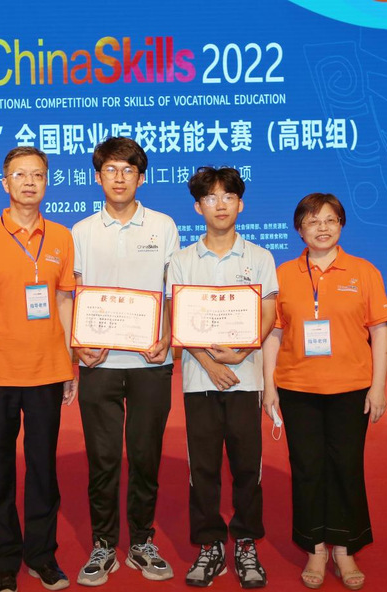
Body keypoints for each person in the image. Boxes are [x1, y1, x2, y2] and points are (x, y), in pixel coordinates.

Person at [0, 146, 77, 592]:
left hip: (46, 371)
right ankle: (3, 561)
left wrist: (69, 364)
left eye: (38, 175)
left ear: (47, 182)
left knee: (43, 469)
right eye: (20, 175)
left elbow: (63, 301)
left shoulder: (61, 236)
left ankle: (42, 556)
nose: (29, 182)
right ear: (5, 183)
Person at [262, 193, 387, 591]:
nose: (322, 228)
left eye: (330, 220)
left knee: (346, 467)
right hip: (297, 387)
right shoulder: (284, 274)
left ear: (341, 225)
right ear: (299, 229)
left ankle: (345, 548)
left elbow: (379, 331)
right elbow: (274, 333)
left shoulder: (364, 271)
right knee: (307, 468)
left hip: (351, 388)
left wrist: (379, 387)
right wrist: (269, 386)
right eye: (313, 221)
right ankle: (315, 548)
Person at [72, 137, 180, 586]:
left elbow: (174, 290)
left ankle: (140, 542)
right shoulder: (81, 231)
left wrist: (168, 337)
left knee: (145, 457)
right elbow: (75, 293)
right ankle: (102, 544)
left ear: (141, 177)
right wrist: (77, 345)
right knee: (102, 460)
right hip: (98, 361)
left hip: (150, 361)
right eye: (111, 170)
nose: (119, 178)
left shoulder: (163, 226)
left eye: (128, 170)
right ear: (98, 177)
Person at [167, 167, 277, 589]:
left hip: (246, 380)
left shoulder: (259, 258)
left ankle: (246, 541)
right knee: (203, 468)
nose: (220, 205)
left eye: (228, 196)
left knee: (248, 466)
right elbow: (179, 318)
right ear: (198, 207)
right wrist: (210, 363)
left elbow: (267, 314)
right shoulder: (182, 260)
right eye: (211, 198)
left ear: (240, 204)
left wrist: (243, 352)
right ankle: (209, 543)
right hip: (199, 381)